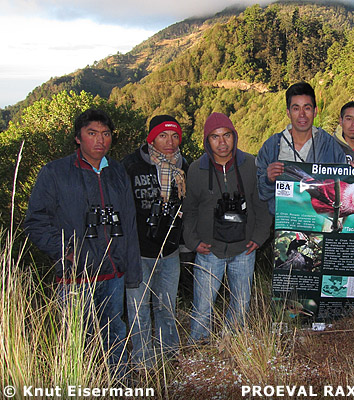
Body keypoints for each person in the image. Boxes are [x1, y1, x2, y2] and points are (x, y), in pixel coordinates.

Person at [24, 108, 141, 377]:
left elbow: (129, 223)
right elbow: (36, 221)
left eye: (106, 134)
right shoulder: (55, 173)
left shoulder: (117, 172)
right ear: (78, 138)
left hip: (113, 273)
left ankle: (121, 385)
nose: (100, 140)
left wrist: (131, 270)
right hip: (75, 276)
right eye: (92, 133)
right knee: (77, 341)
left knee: (115, 335)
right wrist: (65, 251)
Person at [182, 112, 271, 343]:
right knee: (203, 307)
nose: (222, 142)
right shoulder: (195, 170)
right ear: (207, 140)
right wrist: (193, 242)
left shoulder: (251, 164)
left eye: (227, 135)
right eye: (215, 137)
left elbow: (261, 205)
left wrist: (259, 237)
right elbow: (189, 210)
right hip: (209, 250)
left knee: (241, 304)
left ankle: (231, 346)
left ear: (234, 136)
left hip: (244, 250)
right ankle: (199, 350)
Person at [122, 115, 189, 367]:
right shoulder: (130, 165)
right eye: (163, 135)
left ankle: (169, 357)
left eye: (174, 136)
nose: (169, 142)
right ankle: (144, 363)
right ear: (151, 138)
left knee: (166, 308)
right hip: (138, 253)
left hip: (170, 253)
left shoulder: (183, 166)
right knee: (138, 312)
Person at [256, 82, 346, 214]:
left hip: (319, 223)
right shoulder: (272, 146)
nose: (302, 115)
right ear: (288, 112)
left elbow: (342, 187)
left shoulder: (330, 146)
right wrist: (268, 179)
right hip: (284, 224)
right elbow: (261, 194)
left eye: (307, 108)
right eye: (296, 108)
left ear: (315, 111)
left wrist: (353, 173)